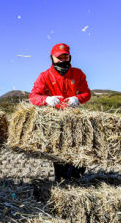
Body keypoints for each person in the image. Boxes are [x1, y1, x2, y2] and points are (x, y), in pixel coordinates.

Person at [29, 43, 91, 181]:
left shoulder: (78, 73)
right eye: (59, 57)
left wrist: (77, 98)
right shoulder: (44, 76)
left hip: (73, 118)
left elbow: (86, 93)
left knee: (78, 154)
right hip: (54, 120)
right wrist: (46, 100)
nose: (62, 60)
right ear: (52, 58)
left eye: (65, 57)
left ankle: (76, 178)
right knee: (59, 154)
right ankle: (62, 180)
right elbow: (33, 97)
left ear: (70, 57)